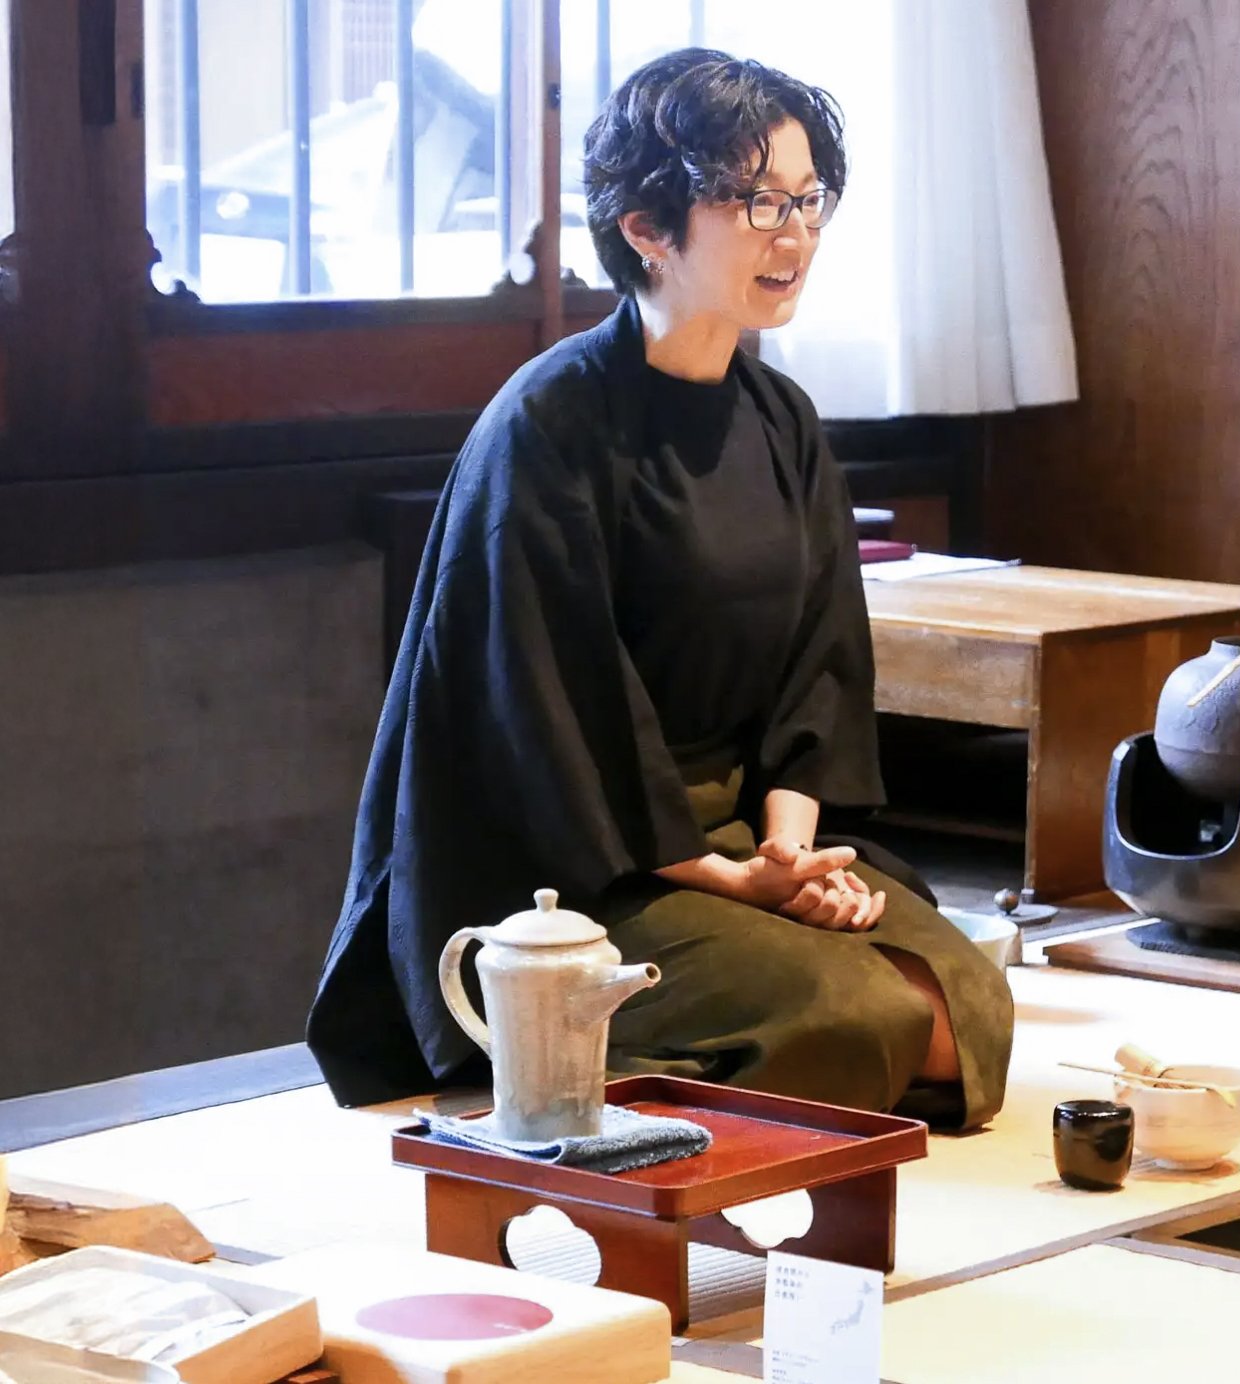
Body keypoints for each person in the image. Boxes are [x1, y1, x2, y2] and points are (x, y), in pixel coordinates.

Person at [305, 49, 1014, 1131]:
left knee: (964, 999)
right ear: (646, 226)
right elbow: (550, 713)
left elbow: (819, 668)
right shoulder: (547, 429)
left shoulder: (780, 422)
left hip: (740, 845)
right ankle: (559, 1069)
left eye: (807, 198)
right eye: (756, 200)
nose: (795, 233)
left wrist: (789, 848)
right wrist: (729, 883)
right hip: (578, 868)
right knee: (859, 1012)